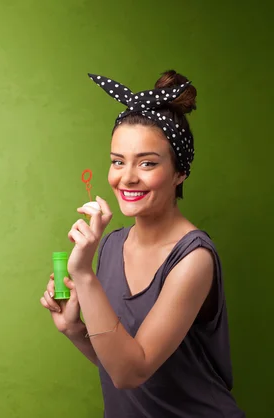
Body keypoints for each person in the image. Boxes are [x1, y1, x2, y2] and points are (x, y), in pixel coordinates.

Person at [40, 70, 245, 417]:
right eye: (118, 161)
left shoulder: (193, 259)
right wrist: (75, 330)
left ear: (180, 172)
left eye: (147, 163)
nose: (128, 177)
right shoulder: (111, 245)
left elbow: (131, 372)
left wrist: (83, 274)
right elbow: (123, 364)